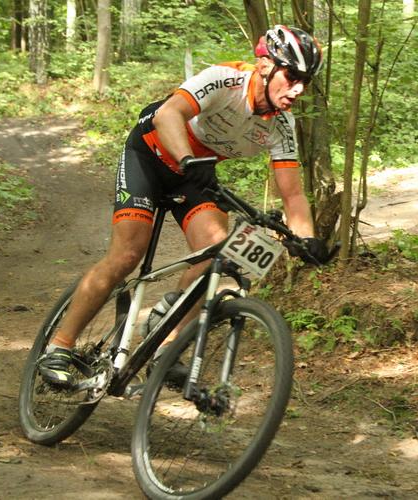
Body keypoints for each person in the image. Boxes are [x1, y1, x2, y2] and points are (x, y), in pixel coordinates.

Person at [38, 25, 330, 388]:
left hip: (194, 172)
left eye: (305, 81)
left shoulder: (281, 126)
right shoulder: (225, 80)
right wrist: (186, 158)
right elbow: (167, 115)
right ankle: (59, 347)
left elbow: (293, 195)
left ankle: (168, 343)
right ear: (265, 65)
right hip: (151, 153)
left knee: (215, 252)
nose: (299, 89)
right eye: (292, 77)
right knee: (127, 254)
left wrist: (306, 239)